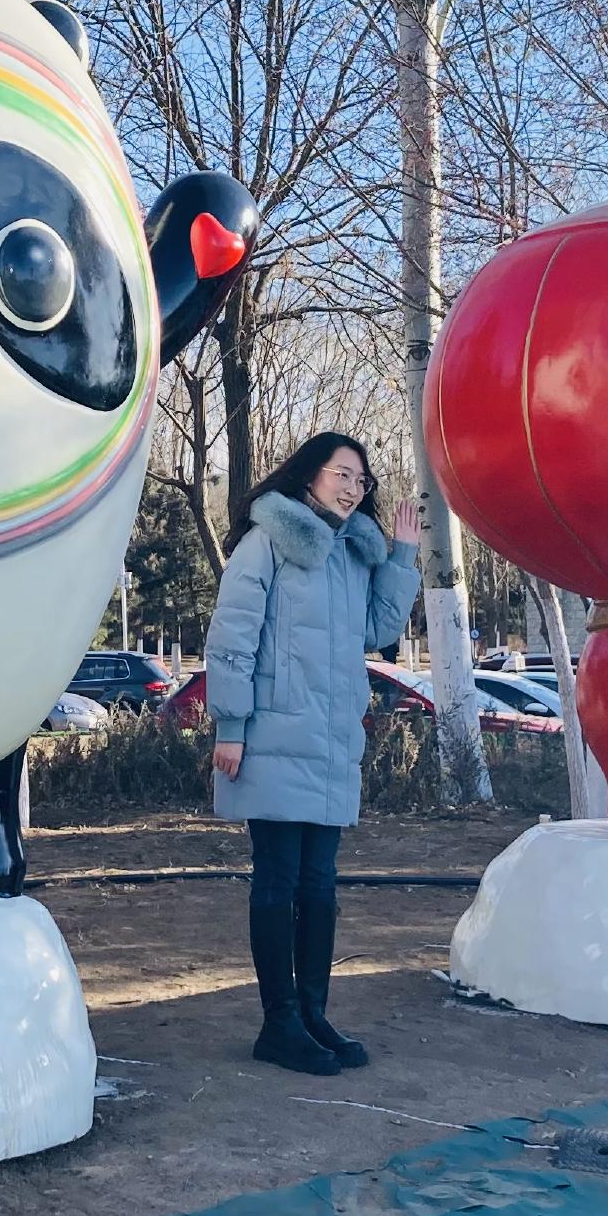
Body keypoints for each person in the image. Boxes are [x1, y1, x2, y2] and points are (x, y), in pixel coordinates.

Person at [205, 433, 420, 1076]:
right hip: (271, 734)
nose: (355, 489)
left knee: (319, 887)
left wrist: (402, 555)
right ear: (309, 478)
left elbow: (380, 630)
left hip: (329, 743)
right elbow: (232, 636)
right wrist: (231, 725)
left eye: (363, 481)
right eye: (343, 475)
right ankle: (278, 1024)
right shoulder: (266, 541)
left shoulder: (353, 555)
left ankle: (310, 1013)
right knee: (278, 879)